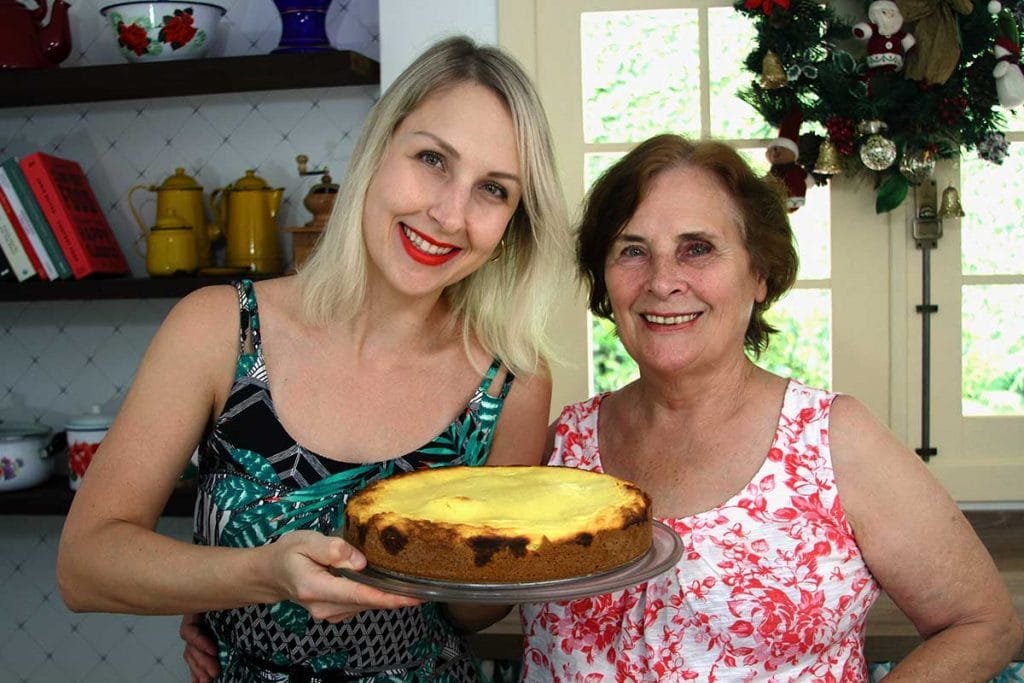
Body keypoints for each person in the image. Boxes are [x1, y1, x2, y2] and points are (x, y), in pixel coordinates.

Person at [57, 35, 569, 683]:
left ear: (513, 223)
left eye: (493, 189)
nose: (449, 214)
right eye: (433, 158)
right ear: (378, 148)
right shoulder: (219, 329)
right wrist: (249, 576)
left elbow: (465, 612)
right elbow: (85, 565)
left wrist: (510, 550)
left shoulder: (513, 380)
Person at [519, 134, 1023, 681]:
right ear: (605, 279)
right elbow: (470, 605)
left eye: (698, 248)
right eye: (632, 251)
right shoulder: (561, 447)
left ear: (759, 274)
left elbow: (983, 623)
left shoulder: (831, 442)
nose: (662, 281)